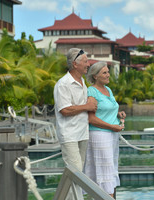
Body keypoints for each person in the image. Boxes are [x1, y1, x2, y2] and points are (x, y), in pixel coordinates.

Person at [53, 48, 97, 199]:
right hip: (69, 134)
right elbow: (64, 110)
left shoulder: (83, 82)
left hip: (82, 133)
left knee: (78, 174)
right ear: (75, 64)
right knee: (76, 173)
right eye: (85, 61)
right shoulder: (63, 84)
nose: (88, 64)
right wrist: (87, 106)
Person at [83, 61, 126, 199]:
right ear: (95, 76)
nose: (108, 75)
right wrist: (112, 127)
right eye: (104, 73)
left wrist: (118, 115)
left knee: (110, 169)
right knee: (104, 171)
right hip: (100, 135)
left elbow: (107, 111)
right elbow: (92, 119)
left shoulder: (109, 90)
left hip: (111, 135)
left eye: (108, 72)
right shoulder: (92, 92)